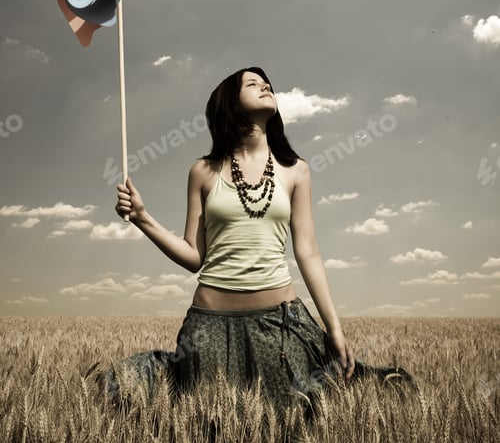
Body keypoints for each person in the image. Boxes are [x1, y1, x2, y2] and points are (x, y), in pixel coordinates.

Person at [104, 66, 415, 417]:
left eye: (267, 83)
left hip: (278, 327)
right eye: (252, 83)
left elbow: (308, 252)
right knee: (211, 424)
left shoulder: (296, 170)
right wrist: (143, 217)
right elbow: (194, 256)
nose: (265, 85)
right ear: (229, 103)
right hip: (210, 332)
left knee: (291, 421)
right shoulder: (203, 172)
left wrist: (334, 328)